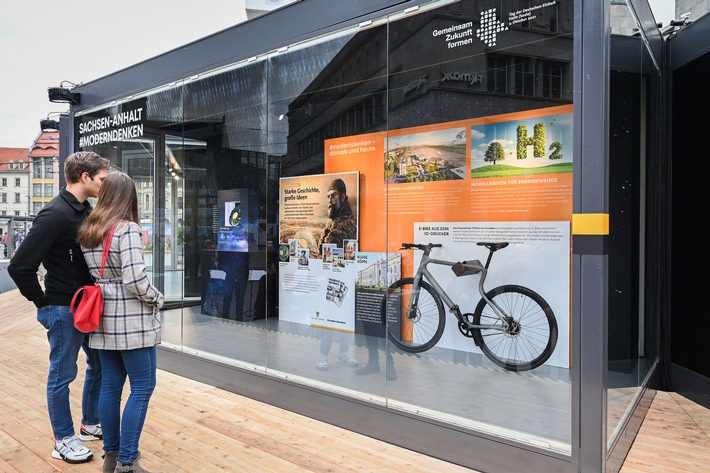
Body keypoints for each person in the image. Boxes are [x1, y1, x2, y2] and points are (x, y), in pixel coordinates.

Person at [7, 151, 110, 464]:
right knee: (62, 376)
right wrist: (43, 304)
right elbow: (20, 265)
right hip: (63, 309)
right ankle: (63, 439)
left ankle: (89, 422)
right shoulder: (55, 214)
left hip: (86, 307)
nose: (104, 185)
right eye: (101, 179)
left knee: (99, 365)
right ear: (85, 177)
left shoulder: (81, 210)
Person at [77, 172, 164, 473]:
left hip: (102, 317)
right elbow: (135, 279)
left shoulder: (90, 228)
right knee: (142, 386)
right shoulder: (127, 229)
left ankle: (112, 456)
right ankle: (128, 461)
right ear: (129, 197)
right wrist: (157, 298)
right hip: (131, 320)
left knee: (111, 386)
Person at [315, 178, 358, 370]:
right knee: (330, 316)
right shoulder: (332, 221)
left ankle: (341, 353)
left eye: (333, 196)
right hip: (332, 275)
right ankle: (324, 355)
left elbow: (330, 245)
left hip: (342, 274)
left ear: (342, 195)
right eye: (328, 197)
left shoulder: (346, 221)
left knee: (342, 317)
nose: (330, 200)